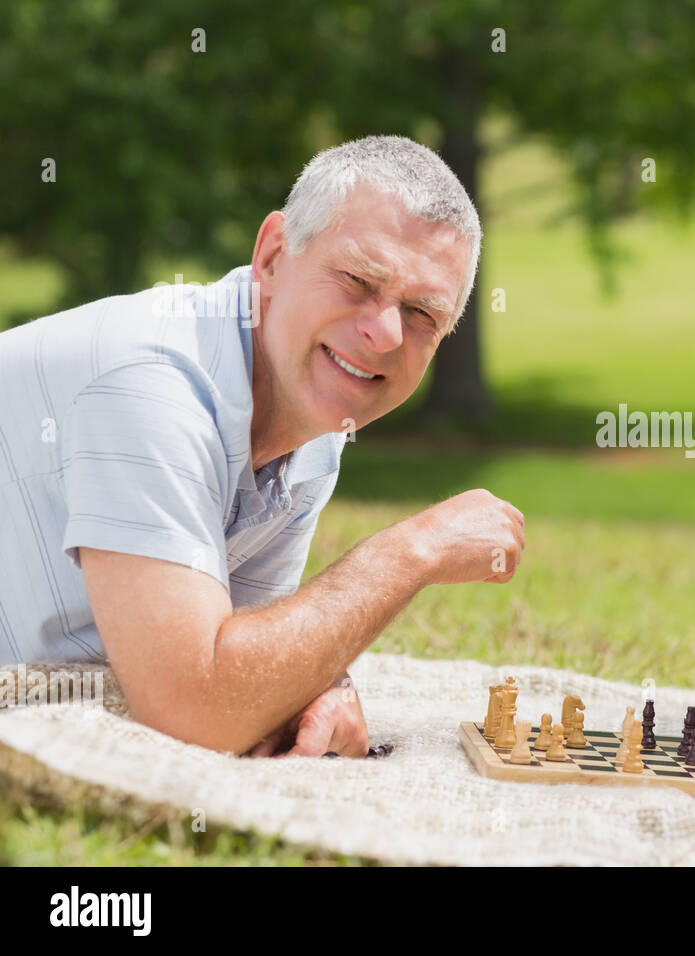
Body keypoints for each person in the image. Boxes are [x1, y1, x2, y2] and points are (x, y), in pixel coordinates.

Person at [0, 135, 526, 758]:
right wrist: (415, 550)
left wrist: (319, 692)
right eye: (358, 279)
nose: (383, 334)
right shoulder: (150, 385)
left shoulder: (312, 421)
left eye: (421, 314)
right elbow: (193, 712)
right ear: (273, 255)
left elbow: (248, 659)